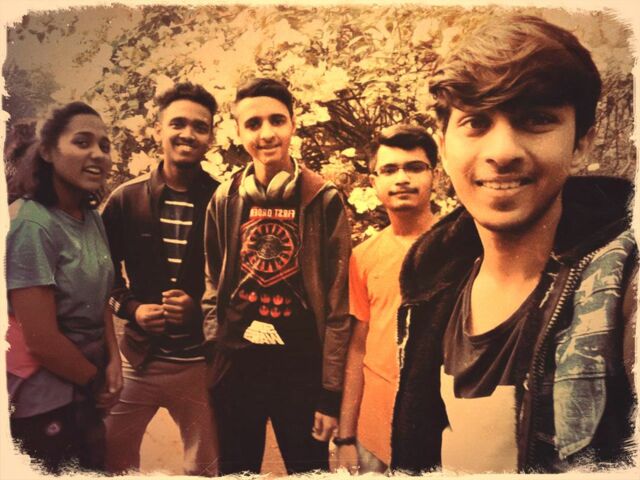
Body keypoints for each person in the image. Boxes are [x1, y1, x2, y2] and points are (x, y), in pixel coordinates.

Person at [391, 14, 636, 474]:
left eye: (536, 120)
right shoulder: (432, 283)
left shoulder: (625, 286)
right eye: (476, 122)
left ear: (581, 142)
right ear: (443, 145)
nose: (502, 151)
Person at [202, 77, 351, 475]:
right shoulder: (225, 198)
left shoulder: (323, 199)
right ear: (238, 132)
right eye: (253, 124)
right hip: (236, 370)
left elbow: (338, 303)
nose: (266, 133)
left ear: (293, 124)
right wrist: (215, 350)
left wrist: (330, 391)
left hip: (300, 373)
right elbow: (212, 282)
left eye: (277, 120)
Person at [102, 82, 219, 476]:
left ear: (211, 137)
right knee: (112, 462)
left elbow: (237, 282)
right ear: (158, 131)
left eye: (200, 127)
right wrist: (132, 309)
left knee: (205, 468)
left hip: (200, 366)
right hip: (138, 361)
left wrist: (199, 308)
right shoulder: (125, 199)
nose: (188, 134)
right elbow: (101, 277)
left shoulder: (224, 201)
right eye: (177, 123)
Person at [6, 101, 121, 473]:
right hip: (47, 402)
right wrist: (96, 381)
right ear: (47, 151)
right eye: (82, 142)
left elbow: (102, 298)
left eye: (104, 146)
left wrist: (115, 361)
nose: (98, 154)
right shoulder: (32, 225)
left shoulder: (91, 218)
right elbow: (42, 341)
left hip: (86, 384)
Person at [336, 125, 438, 474]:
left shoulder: (461, 247)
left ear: (435, 176)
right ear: (374, 182)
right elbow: (357, 348)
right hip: (373, 433)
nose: (402, 178)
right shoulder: (362, 257)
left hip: (438, 433)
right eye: (390, 169)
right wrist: (345, 437)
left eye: (415, 167)